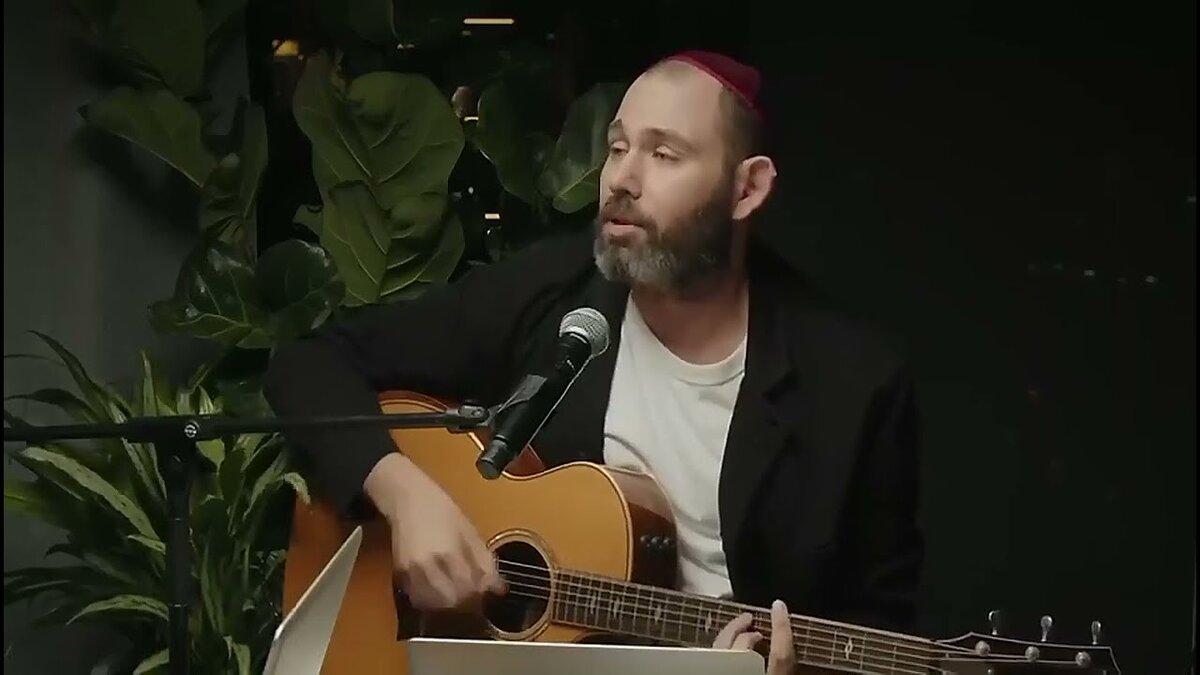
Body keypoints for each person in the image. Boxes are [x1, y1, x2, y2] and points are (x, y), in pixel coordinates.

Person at [265, 50, 923, 674]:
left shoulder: (851, 381)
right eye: (617, 147)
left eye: (663, 154)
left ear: (747, 188)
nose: (622, 179)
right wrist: (405, 497)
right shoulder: (552, 293)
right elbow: (308, 366)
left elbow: (882, 626)